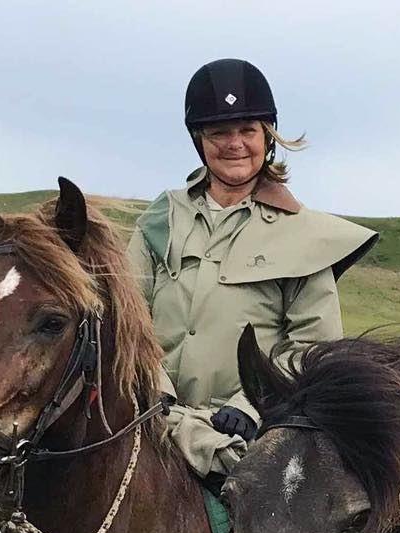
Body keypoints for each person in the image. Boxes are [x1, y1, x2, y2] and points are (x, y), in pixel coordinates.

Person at [128, 58, 377, 484]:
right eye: (219, 132)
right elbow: (126, 318)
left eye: (248, 131)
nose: (235, 144)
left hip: (255, 434)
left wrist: (249, 404)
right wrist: (154, 390)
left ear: (269, 137)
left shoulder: (304, 234)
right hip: (149, 420)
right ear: (198, 140)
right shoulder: (162, 216)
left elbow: (313, 346)